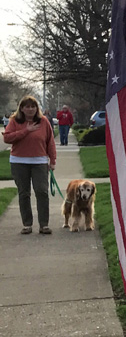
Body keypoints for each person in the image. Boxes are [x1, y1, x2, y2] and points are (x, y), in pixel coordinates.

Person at [3, 95, 57, 235]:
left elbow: (50, 142)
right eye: (27, 106)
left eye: (33, 106)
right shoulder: (15, 121)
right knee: (24, 193)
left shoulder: (44, 122)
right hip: (19, 162)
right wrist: (26, 130)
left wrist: (52, 160)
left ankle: (44, 224)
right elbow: (7, 138)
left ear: (36, 108)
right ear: (21, 108)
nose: (30, 109)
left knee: (42, 191)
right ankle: (27, 224)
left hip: (39, 162)